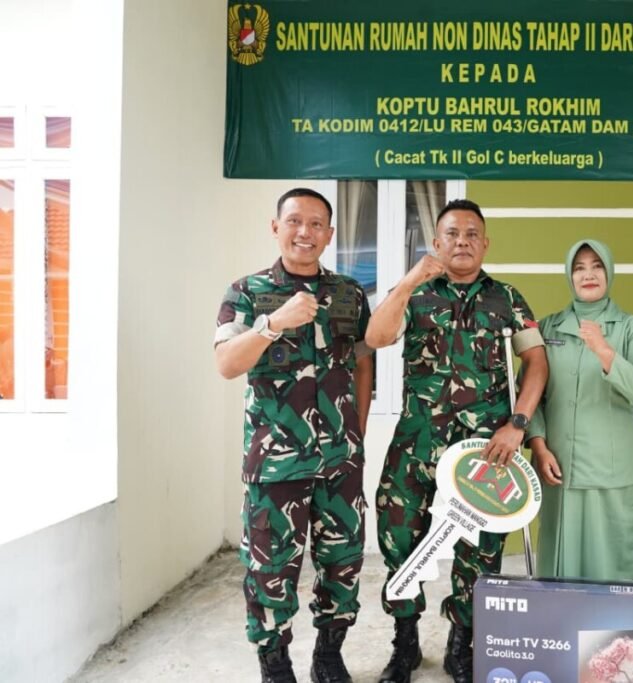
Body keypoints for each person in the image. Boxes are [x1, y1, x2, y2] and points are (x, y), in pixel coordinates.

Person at [365, 199, 548, 683]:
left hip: (484, 446)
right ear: (436, 242)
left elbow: (536, 362)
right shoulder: (415, 294)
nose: (462, 241)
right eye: (452, 233)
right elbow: (377, 337)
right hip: (417, 441)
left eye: (471, 234)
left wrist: (518, 423)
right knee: (398, 534)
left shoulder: (507, 298)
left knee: (481, 545)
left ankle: (461, 643)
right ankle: (405, 641)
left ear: (485, 244)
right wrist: (408, 281)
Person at [214, 188, 373, 683]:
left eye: (317, 223)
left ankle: (328, 654)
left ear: (329, 233)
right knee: (270, 570)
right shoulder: (246, 291)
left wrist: (357, 429)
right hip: (276, 463)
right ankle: (275, 663)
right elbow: (226, 363)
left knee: (343, 562)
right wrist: (272, 325)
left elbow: (363, 363)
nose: (305, 232)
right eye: (295, 221)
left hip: (340, 461)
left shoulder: (349, 293)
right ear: (275, 227)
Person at [526, 239, 633, 581]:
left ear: (609, 272)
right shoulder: (548, 327)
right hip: (559, 466)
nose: (588, 274)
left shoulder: (632, 328)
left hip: (613, 472)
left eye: (597, 266)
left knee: (613, 572)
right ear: (569, 276)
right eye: (579, 268)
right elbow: (529, 395)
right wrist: (539, 447)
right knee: (561, 572)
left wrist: (604, 351)